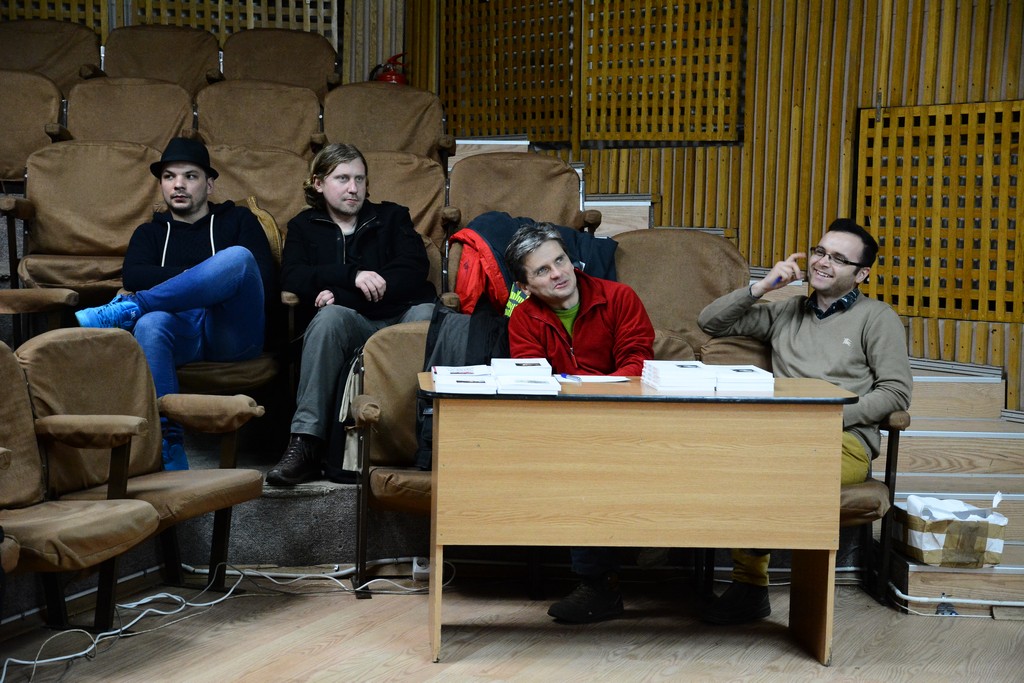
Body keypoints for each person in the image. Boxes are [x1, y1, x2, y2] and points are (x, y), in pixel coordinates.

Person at [697, 218, 913, 625]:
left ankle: (753, 586)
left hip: (844, 441)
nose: (823, 262)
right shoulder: (787, 311)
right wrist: (763, 287)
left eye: (839, 259)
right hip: (781, 438)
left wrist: (829, 416)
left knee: (774, 470)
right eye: (820, 252)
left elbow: (895, 392)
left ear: (861, 274)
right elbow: (711, 322)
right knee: (736, 462)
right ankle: (750, 589)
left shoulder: (876, 317)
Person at [75, 136, 276, 471]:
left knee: (238, 258)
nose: (178, 184)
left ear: (209, 185)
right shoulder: (150, 234)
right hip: (182, 332)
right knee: (151, 324)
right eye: (169, 177)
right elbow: (134, 274)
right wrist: (203, 279)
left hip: (232, 331)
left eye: (190, 176)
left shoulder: (238, 220)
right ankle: (169, 443)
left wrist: (200, 281)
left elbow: (262, 277)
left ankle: (132, 307)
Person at [504, 222, 655, 624]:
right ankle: (601, 582)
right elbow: (532, 380)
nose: (558, 273)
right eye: (542, 270)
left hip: (627, 418)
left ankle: (615, 567)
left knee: (594, 457)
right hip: (564, 427)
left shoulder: (620, 298)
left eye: (561, 260)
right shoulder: (522, 318)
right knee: (577, 459)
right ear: (524, 285)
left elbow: (637, 362)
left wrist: (594, 398)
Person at [265, 143, 436, 486]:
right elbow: (293, 276)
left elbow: (414, 269)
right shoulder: (304, 226)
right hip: (350, 324)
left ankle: (429, 441)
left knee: (430, 315)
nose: (353, 188)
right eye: (342, 178)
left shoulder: (392, 217)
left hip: (399, 316)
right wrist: (352, 276)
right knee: (329, 319)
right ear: (318, 183)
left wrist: (342, 292)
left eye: (359, 179)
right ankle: (305, 443)